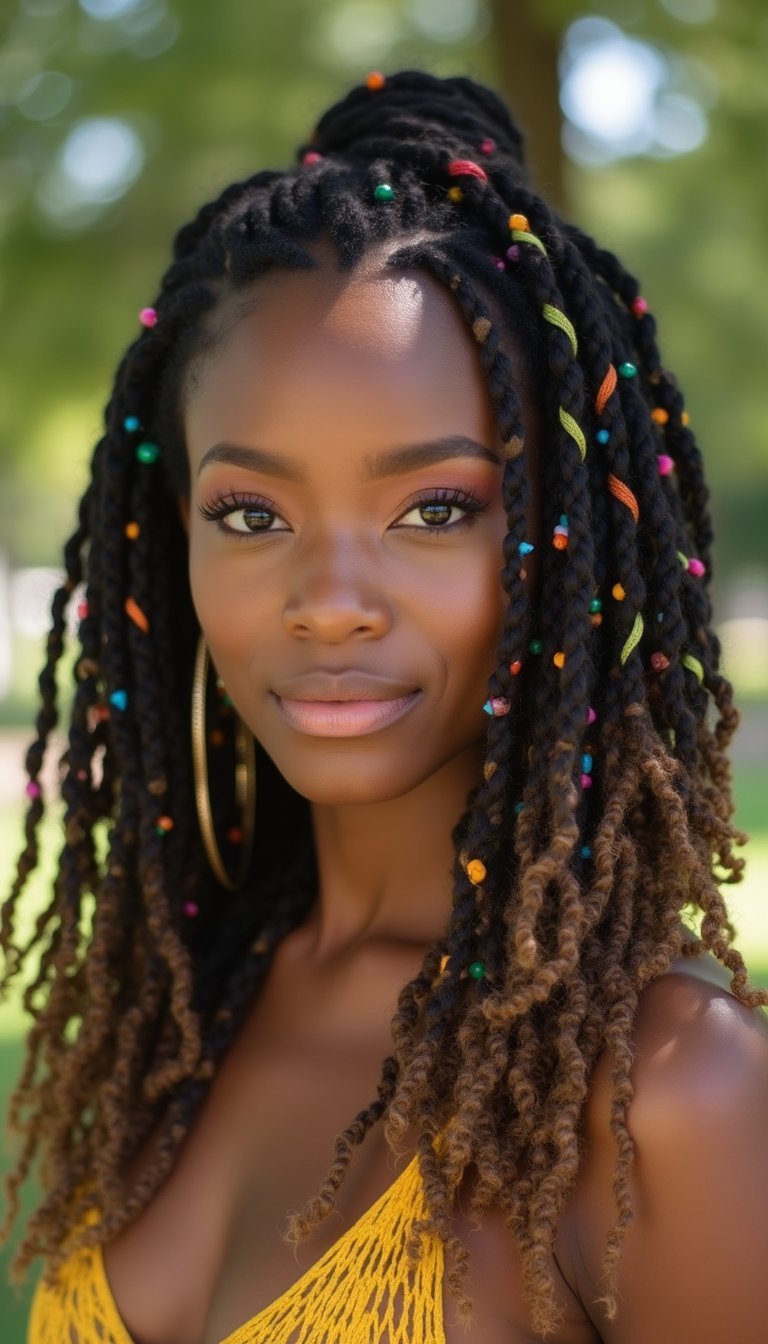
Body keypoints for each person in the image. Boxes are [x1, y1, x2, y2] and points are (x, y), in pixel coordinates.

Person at [1, 68, 766, 1344]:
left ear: (569, 552)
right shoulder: (180, 1007)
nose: (330, 601)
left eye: (436, 509)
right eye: (251, 514)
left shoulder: (672, 1093)